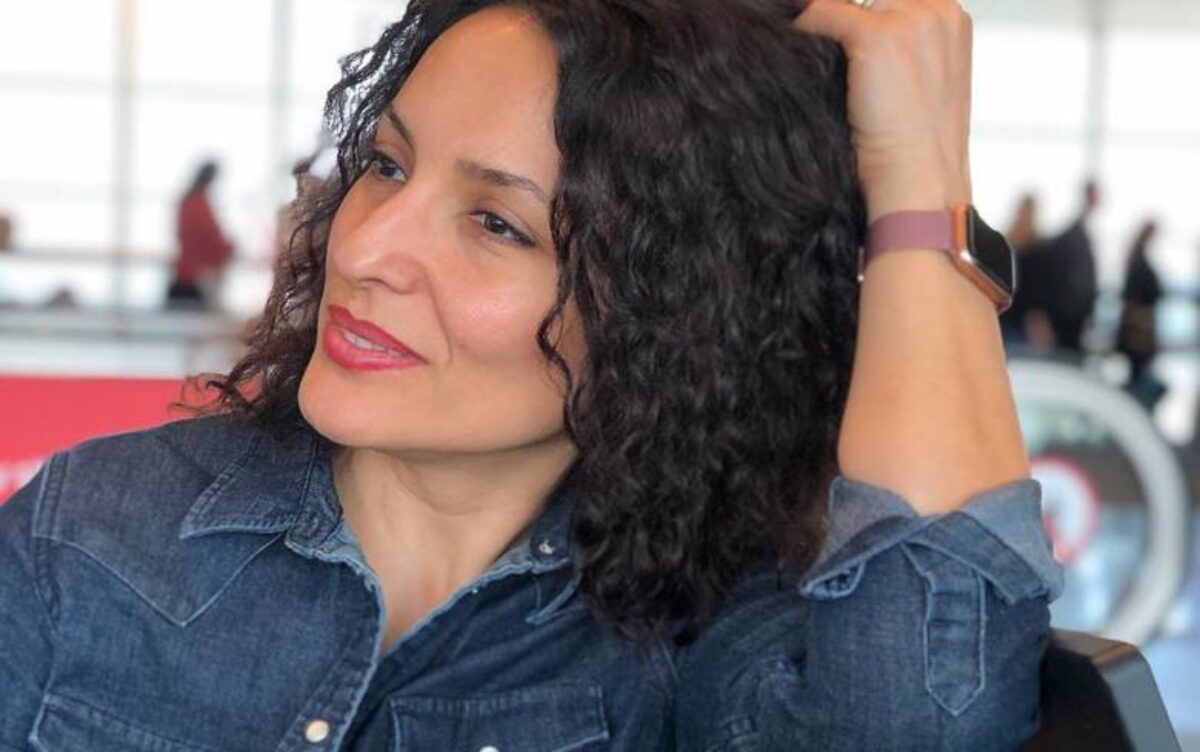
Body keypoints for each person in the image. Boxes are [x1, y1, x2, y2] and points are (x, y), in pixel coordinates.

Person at [0, 0, 1061, 749]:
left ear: (672, 317)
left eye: (497, 223)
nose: (365, 248)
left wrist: (921, 190)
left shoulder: (691, 655)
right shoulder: (93, 533)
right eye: (387, 165)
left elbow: (920, 714)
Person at [166, 160, 234, 310]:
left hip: (184, 275)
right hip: (193, 280)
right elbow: (210, 238)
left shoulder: (188, 201)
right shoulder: (199, 205)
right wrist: (229, 248)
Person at [1116, 219, 1168, 410]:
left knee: (1139, 376)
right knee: (1142, 380)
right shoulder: (1140, 261)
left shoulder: (1136, 258)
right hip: (1139, 332)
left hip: (1135, 331)